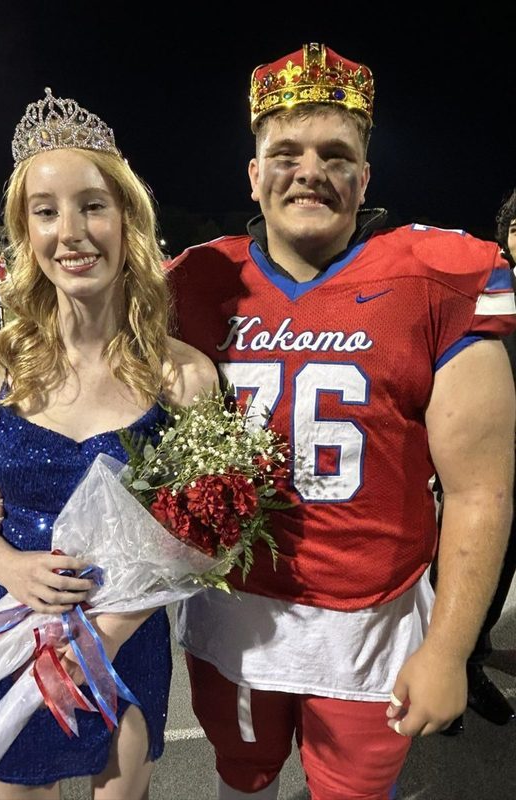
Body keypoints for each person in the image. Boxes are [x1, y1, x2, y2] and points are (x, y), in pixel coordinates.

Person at [167, 43, 516, 800]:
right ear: (254, 177)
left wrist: (451, 649)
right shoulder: (194, 279)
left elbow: (480, 491)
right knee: (243, 780)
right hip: (234, 618)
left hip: (370, 624)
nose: (310, 170)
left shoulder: (438, 277)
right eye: (285, 152)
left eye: (336, 154)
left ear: (364, 177)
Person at [0, 88, 216, 800]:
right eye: (46, 210)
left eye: (93, 205)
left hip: (127, 630)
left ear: (128, 220)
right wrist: (10, 564)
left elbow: (206, 530)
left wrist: (111, 628)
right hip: (15, 621)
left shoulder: (183, 375)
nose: (72, 232)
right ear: (25, 230)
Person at [442, 188, 516, 733]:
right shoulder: (487, 292)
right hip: (484, 465)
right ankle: (458, 666)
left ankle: (478, 644)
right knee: (470, 567)